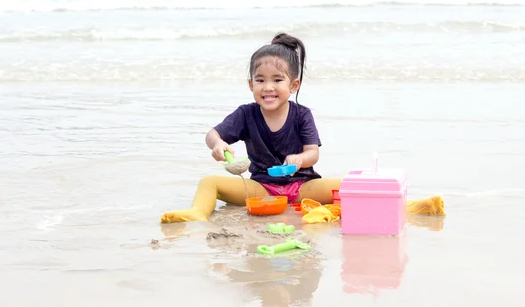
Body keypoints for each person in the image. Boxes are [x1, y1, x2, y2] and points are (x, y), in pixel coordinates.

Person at [161, 33, 444, 223]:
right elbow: (214, 134)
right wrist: (218, 145)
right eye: (259, 80)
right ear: (250, 85)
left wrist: (299, 160)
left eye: (277, 80)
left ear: (293, 85)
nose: (268, 87)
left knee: (347, 184)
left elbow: (313, 154)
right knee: (210, 182)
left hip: (304, 187)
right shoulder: (246, 114)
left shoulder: (301, 115)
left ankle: (408, 207)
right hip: (262, 188)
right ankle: (197, 213)